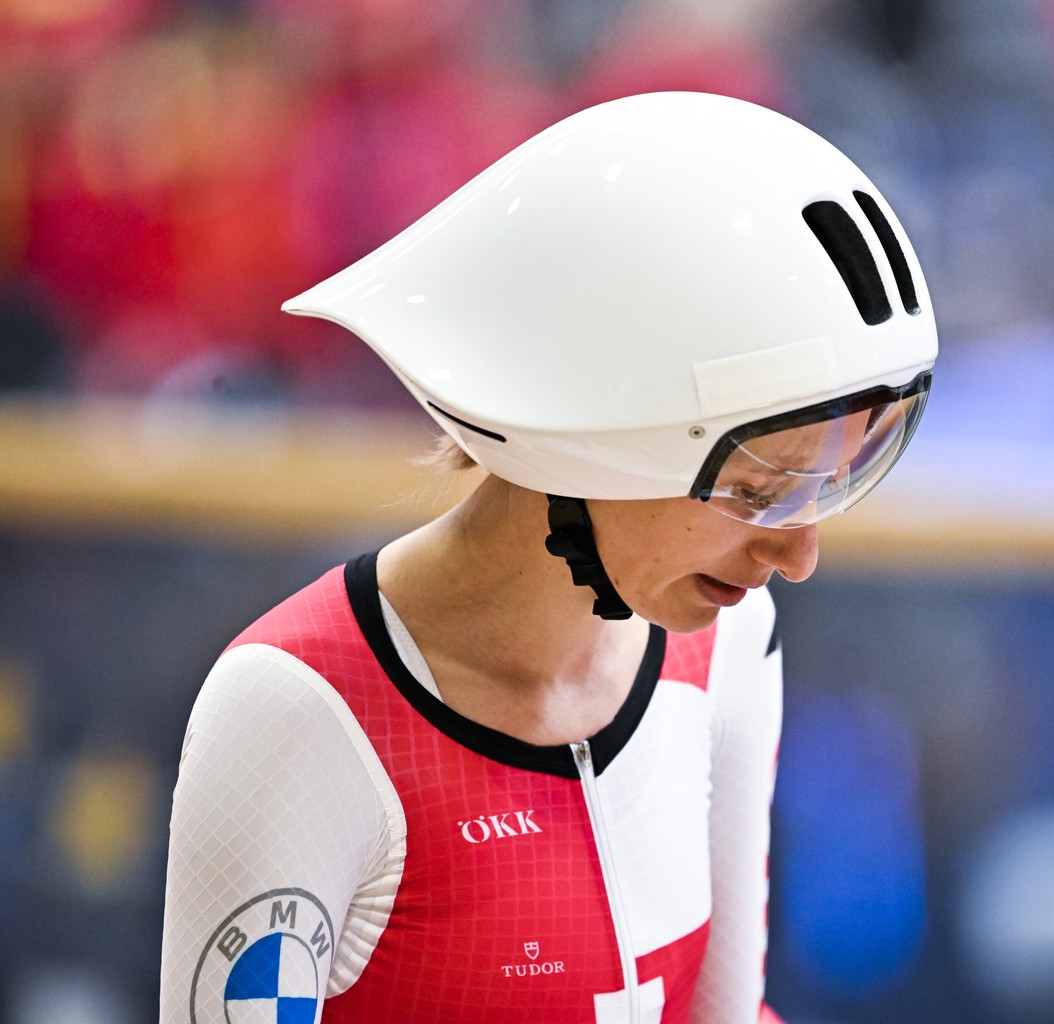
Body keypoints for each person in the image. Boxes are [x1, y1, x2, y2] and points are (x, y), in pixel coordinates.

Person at [159, 91, 937, 1024]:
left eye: (836, 482)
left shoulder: (730, 640)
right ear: (586, 432)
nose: (799, 554)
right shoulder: (294, 712)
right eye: (760, 490)